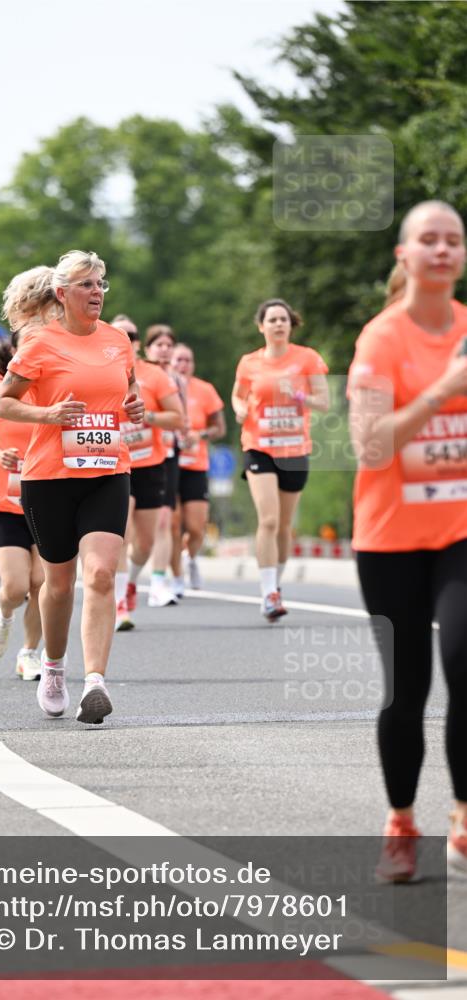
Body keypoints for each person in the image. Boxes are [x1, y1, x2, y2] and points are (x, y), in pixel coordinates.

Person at [347, 200, 467, 879]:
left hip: (458, 531)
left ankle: (462, 814)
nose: (441, 249)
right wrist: (443, 390)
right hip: (390, 537)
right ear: (404, 255)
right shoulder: (381, 340)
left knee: (464, 663)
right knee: (407, 689)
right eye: (428, 239)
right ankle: (399, 818)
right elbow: (368, 445)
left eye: (452, 239)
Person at [0, 250, 144, 725]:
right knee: (58, 584)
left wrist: (133, 411)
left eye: (102, 284)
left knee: (100, 574)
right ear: (63, 294)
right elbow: (3, 404)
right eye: (87, 284)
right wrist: (48, 415)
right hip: (50, 478)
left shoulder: (118, 341)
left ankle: (95, 682)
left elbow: (127, 394)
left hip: (107, 472)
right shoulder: (40, 344)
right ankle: (54, 668)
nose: (97, 292)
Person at [0, 270, 51, 680]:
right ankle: (3, 618)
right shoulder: (1, 388)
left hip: (48, 494)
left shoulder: (55, 386)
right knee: (17, 586)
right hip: (7, 500)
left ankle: (30, 652)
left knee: (42, 582)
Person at [232, 300, 329, 621]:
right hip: (258, 446)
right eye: (271, 320)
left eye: (283, 319)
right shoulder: (249, 362)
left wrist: (298, 395)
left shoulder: (307, 358)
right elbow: (237, 393)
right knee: (269, 520)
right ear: (261, 326)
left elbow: (324, 402)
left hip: (294, 448)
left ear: (291, 325)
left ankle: (276, 582)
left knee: (285, 526)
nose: (278, 324)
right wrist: (239, 407)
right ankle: (268, 592)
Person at [110, 315, 183, 628]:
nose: (126, 339)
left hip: (150, 465)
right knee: (121, 538)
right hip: (114, 466)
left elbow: (177, 418)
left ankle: (130, 582)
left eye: (132, 334)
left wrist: (146, 416)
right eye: (119, 333)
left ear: (138, 343)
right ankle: (119, 606)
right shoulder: (100, 373)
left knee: (146, 543)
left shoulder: (154, 375)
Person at [171, 343, 226, 592]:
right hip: (167, 464)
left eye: (188, 360)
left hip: (195, 465)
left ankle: (189, 558)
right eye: (178, 360)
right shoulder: (163, 388)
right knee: (173, 523)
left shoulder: (205, 390)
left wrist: (199, 435)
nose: (183, 365)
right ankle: (175, 575)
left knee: (196, 526)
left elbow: (220, 428)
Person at [144, 324, 187, 599]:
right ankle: (129, 577)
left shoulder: (176, 380)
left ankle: (159, 581)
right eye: (158, 344)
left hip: (168, 453)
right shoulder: (138, 375)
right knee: (139, 527)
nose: (164, 349)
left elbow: (183, 419)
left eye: (169, 345)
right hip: (138, 455)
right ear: (147, 349)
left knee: (165, 519)